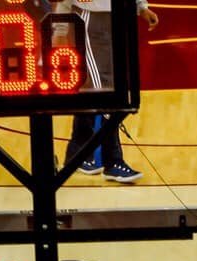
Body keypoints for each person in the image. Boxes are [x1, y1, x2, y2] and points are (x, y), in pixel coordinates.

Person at [53, 0, 158, 183]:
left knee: (98, 88)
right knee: (102, 88)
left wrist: (141, 7)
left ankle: (77, 153)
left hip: (116, 16)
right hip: (89, 17)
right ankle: (113, 161)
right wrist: (60, 29)